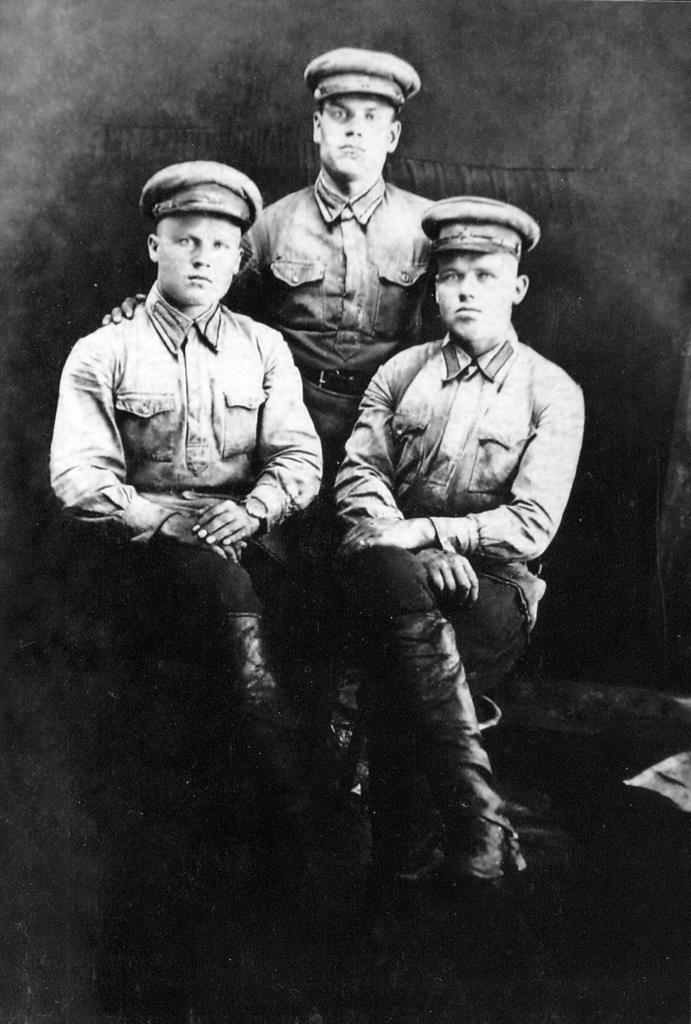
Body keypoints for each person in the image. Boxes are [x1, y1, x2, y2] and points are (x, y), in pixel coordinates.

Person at [50, 161, 323, 884]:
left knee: (313, 616)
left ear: (239, 260)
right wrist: (157, 519)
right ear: (155, 248)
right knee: (221, 605)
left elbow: (299, 457)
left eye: (219, 246)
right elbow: (76, 475)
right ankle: (293, 829)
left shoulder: (264, 348)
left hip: (246, 536)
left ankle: (277, 819)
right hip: (140, 550)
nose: (202, 258)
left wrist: (254, 509)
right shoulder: (104, 350)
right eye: (186, 241)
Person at [334, 196, 585, 887]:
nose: (466, 290)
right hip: (390, 567)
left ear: (517, 287)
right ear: (435, 288)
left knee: (399, 682)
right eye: (451, 277)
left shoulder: (552, 391)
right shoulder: (400, 373)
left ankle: (404, 858)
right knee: (390, 592)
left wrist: (431, 532)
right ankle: (478, 824)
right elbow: (358, 479)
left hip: (494, 587)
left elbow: (532, 521)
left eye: (484, 276)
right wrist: (418, 552)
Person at [104, 47, 434, 491]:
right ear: (317, 127)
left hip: (392, 425)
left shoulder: (428, 227)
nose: (355, 129)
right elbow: (204, 307)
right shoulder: (266, 228)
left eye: (371, 118)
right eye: (339, 115)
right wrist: (144, 312)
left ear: (392, 136)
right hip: (290, 420)